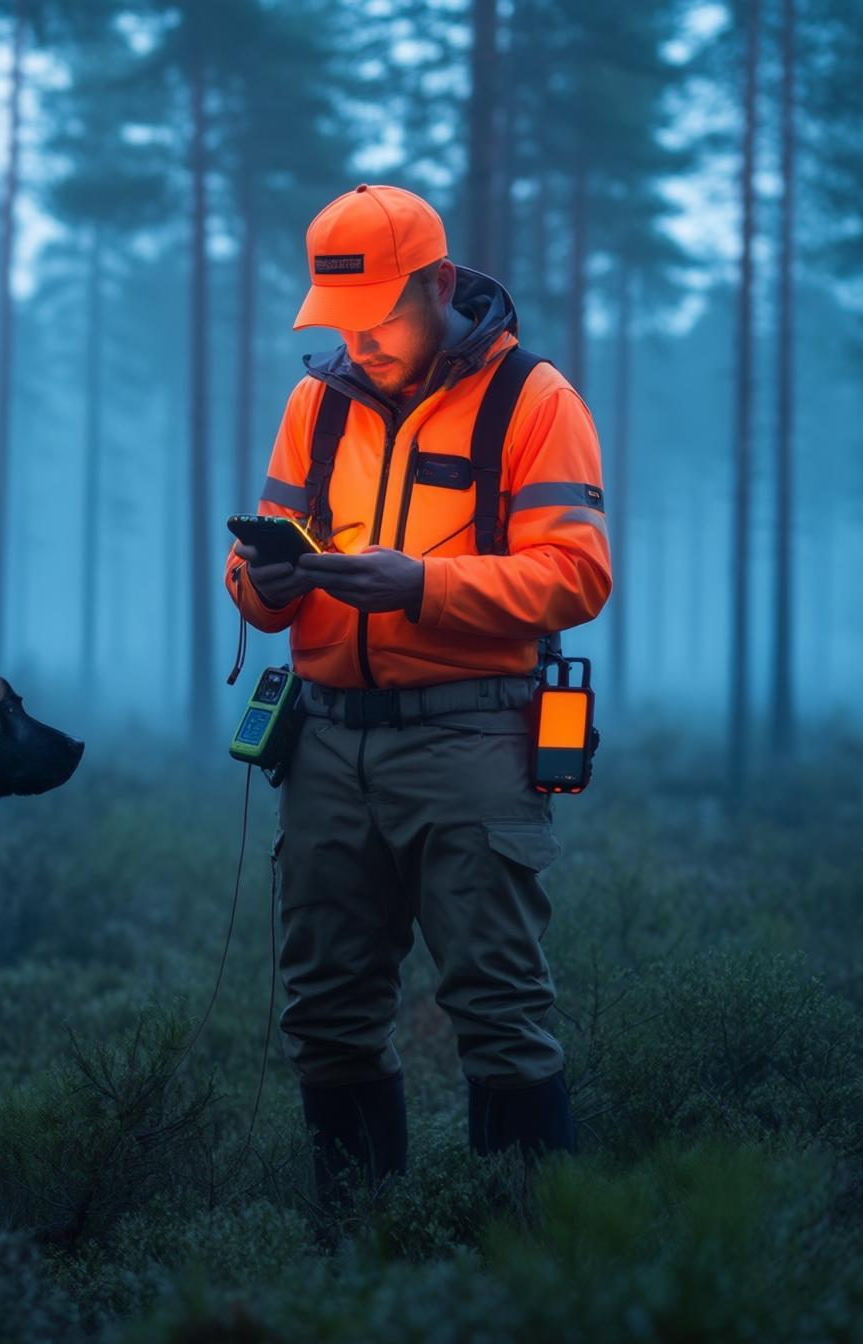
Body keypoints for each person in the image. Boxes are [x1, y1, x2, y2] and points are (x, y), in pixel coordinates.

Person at [223, 183, 612, 1210]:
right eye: (337, 321)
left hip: (472, 738)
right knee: (327, 1013)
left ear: (438, 285)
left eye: (379, 315)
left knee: (497, 1008)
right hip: (323, 748)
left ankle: (526, 1268)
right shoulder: (313, 405)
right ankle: (358, 1257)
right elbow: (250, 573)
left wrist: (424, 585)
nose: (359, 341)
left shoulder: (534, 401)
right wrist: (257, 585)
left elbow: (578, 574)